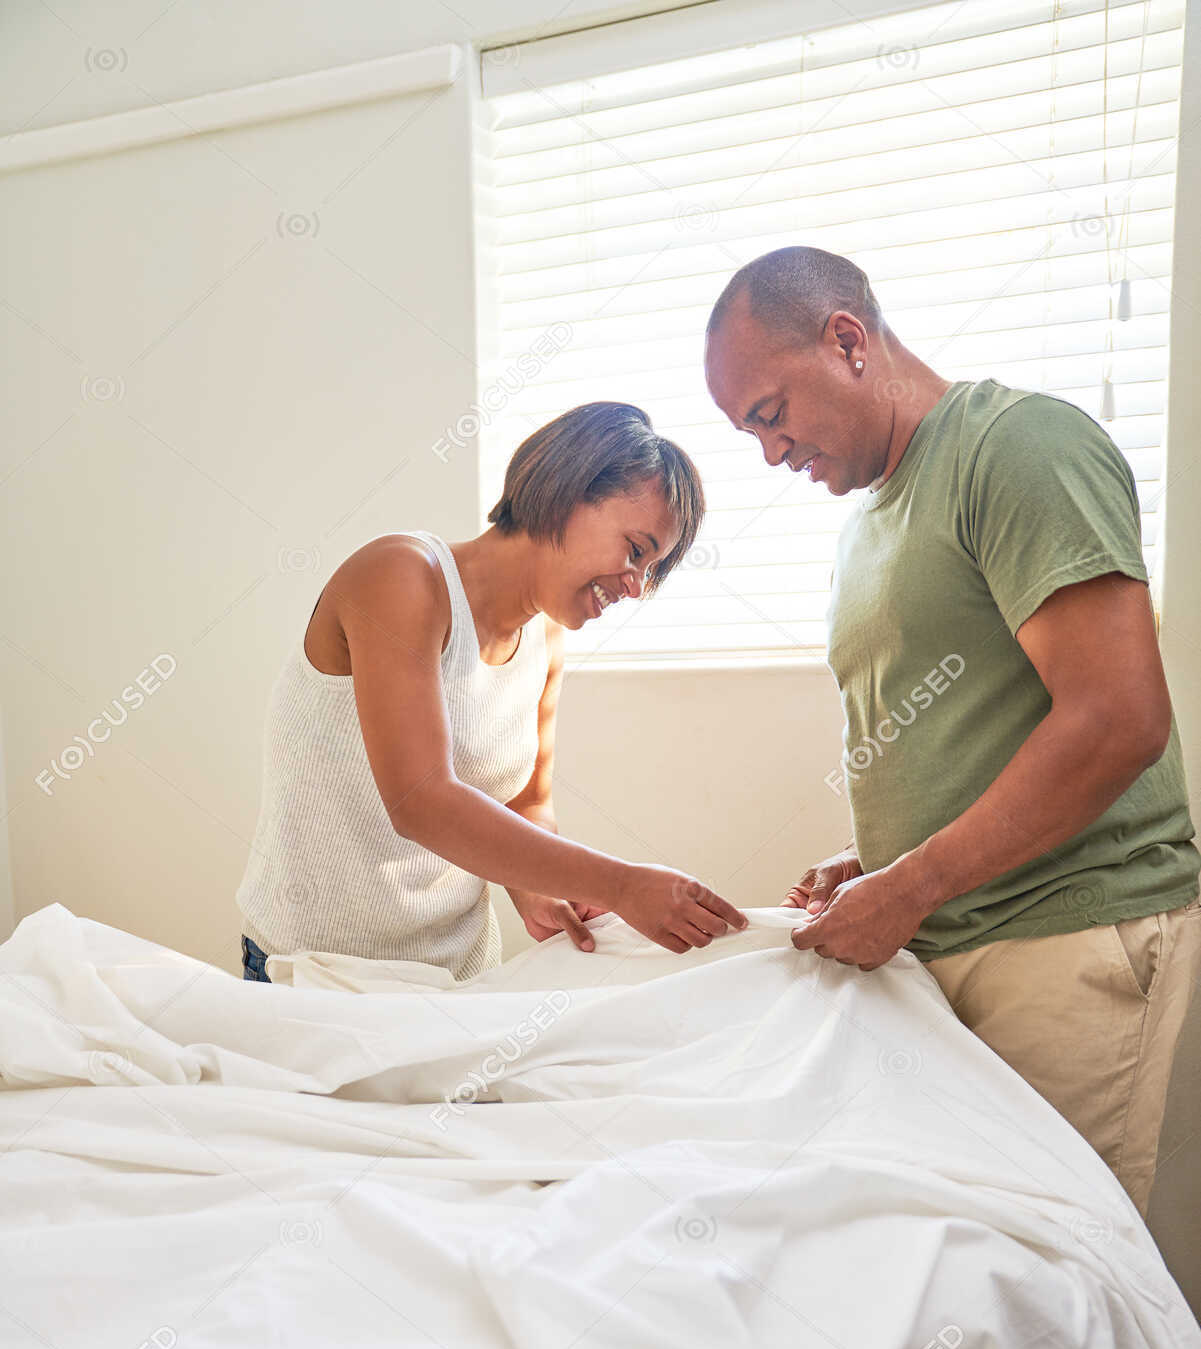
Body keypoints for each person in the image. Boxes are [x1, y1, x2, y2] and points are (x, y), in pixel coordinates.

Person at [704, 246, 1201, 1215]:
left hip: (1069, 942)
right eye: (748, 434)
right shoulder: (866, 525)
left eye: (770, 414)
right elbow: (980, 725)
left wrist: (916, 877)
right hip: (946, 950)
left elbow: (1117, 719)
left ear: (845, 338)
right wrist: (878, 855)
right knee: (974, 1281)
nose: (770, 452)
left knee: (1067, 1279)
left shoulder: (1015, 449)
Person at [237, 401, 746, 983]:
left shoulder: (546, 637)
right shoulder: (400, 579)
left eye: (651, 571)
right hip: (318, 973)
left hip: (458, 978)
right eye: (635, 550)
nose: (635, 586)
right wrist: (622, 885)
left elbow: (526, 802)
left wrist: (536, 891)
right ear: (567, 491)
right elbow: (422, 803)